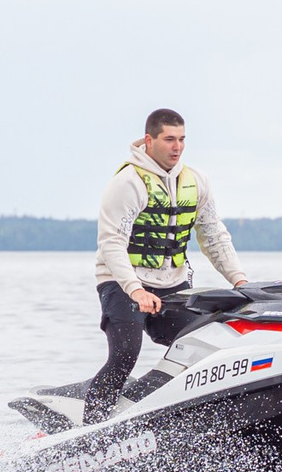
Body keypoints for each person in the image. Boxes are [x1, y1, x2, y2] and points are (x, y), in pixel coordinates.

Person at [85, 108, 249, 422]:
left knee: (207, 347)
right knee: (124, 354)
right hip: (122, 283)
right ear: (149, 140)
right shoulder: (127, 183)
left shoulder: (196, 181)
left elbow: (213, 235)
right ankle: (90, 429)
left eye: (182, 139)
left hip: (172, 284)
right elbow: (112, 243)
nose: (177, 147)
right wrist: (135, 290)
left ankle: (164, 409)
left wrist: (239, 280)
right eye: (169, 139)